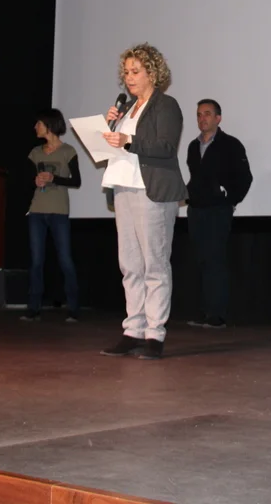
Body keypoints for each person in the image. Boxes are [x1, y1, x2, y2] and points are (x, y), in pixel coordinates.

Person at [98, 43, 187, 360]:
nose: (129, 77)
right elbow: (114, 148)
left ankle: (154, 334)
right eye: (126, 72)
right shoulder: (126, 109)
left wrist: (128, 140)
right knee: (130, 265)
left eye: (135, 71)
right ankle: (133, 330)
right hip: (123, 188)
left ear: (152, 72)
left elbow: (165, 146)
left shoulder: (166, 105)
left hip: (152, 191)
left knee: (154, 264)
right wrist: (109, 128)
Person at [184, 99, 252, 329]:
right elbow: (195, 178)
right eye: (199, 115)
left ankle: (217, 315)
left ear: (218, 118)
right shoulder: (193, 146)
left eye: (207, 114)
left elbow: (245, 177)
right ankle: (204, 312)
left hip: (217, 211)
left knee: (215, 260)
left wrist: (229, 200)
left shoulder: (231, 145)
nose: (202, 118)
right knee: (201, 260)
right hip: (196, 210)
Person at [22, 108, 82, 323]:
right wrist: (35, 181)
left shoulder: (68, 151)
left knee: (65, 259)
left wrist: (54, 178)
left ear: (49, 125)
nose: (35, 127)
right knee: (36, 261)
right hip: (36, 211)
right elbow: (28, 179)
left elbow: (76, 181)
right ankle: (33, 308)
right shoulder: (35, 152)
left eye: (38, 123)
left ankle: (73, 308)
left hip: (59, 211)